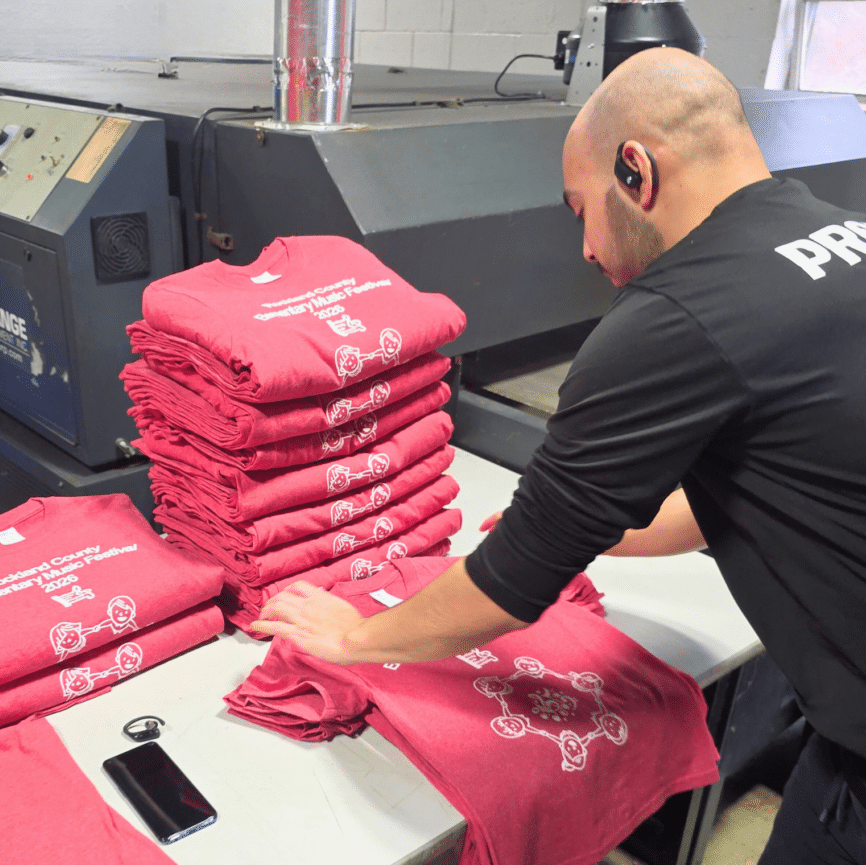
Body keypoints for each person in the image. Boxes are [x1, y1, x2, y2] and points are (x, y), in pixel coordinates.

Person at [254, 47, 866, 863]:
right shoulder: (838, 231)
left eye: (579, 207)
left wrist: (357, 637)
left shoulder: (676, 316)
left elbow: (508, 589)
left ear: (635, 168)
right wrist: (593, 523)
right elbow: (774, 480)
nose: (582, 248)